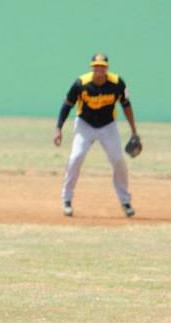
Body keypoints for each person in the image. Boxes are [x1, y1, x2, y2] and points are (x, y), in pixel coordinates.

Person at [54, 52, 140, 217]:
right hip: (84, 125)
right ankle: (67, 199)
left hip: (108, 126)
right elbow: (67, 105)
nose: (99, 69)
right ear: (92, 67)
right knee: (76, 158)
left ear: (107, 68)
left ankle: (125, 201)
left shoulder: (117, 83)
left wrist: (134, 131)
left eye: (102, 66)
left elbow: (126, 105)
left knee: (118, 160)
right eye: (96, 66)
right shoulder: (81, 83)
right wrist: (58, 128)